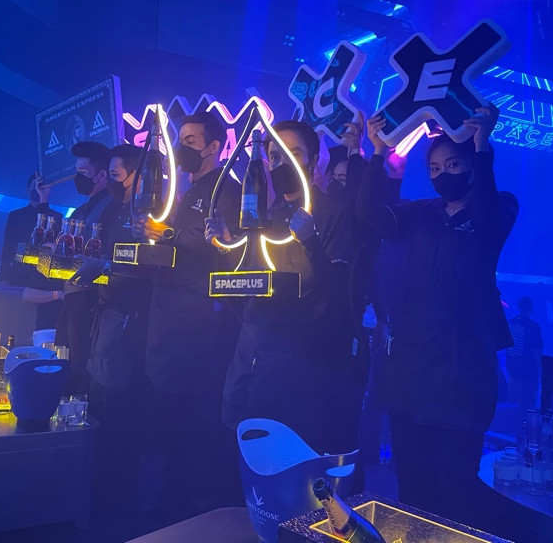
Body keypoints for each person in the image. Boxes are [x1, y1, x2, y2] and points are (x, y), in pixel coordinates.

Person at [356, 106, 518, 527]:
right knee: (412, 482)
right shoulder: (421, 212)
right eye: (434, 168)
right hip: (411, 367)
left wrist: (482, 148)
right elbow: (368, 218)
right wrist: (377, 154)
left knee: (455, 482)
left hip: (465, 368)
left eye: (453, 164)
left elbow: (486, 225)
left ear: (472, 165)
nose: (442, 173)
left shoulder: (499, 205)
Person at [212, 120, 366, 457]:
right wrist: (225, 245)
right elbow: (248, 283)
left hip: (304, 375)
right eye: (275, 156)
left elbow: (342, 294)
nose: (282, 163)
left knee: (296, 470)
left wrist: (310, 241)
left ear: (313, 159)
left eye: (293, 153)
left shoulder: (333, 213)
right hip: (252, 367)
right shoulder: (267, 214)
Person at [143, 111, 242, 517]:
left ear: (214, 146)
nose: (182, 147)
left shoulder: (227, 189)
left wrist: (167, 233)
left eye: (190, 140)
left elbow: (220, 246)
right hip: (169, 319)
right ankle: (173, 500)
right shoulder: (186, 192)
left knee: (199, 417)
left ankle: (203, 508)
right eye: (180, 139)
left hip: (202, 323)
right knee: (173, 417)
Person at [72, 143, 153, 509]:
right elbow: (101, 253)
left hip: (128, 322)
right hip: (103, 316)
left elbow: (147, 267)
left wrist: (104, 267)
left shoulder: (150, 213)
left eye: (118, 175)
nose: (114, 183)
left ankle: (120, 497)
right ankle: (99, 485)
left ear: (136, 174)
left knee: (120, 410)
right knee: (99, 405)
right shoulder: (113, 210)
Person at [55, 141, 112, 394]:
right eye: (76, 171)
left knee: (80, 362)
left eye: (83, 172)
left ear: (101, 175)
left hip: (90, 297)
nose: (77, 178)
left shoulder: (111, 207)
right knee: (64, 356)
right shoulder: (80, 210)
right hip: (71, 294)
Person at [0, 173, 64, 330]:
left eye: (41, 186)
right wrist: (4, 276)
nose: (37, 189)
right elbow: (8, 246)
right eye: (35, 186)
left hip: (43, 276)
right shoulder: (15, 216)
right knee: (17, 313)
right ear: (28, 189)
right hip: (19, 273)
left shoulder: (56, 217)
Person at [504, 296, 544, 412]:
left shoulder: (510, 323)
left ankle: (511, 421)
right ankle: (525, 421)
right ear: (531, 308)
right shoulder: (533, 325)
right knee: (527, 405)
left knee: (511, 402)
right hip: (528, 370)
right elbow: (537, 350)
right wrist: (541, 370)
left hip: (512, 368)